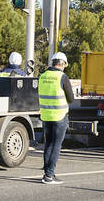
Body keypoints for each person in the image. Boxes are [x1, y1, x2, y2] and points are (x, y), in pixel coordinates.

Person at [38, 51, 74, 184]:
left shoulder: (42, 76)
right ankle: (49, 175)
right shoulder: (62, 77)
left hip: (46, 116)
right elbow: (71, 98)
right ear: (63, 63)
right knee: (56, 146)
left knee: (48, 144)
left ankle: (47, 173)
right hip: (60, 116)